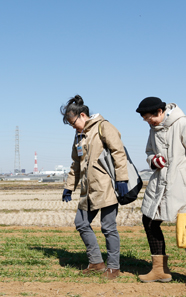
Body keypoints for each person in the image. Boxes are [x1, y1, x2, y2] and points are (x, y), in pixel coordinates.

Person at [135, 97, 186, 287]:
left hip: (184, 185)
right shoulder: (153, 130)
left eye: (149, 118)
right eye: (145, 119)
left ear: (160, 111)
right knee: (149, 220)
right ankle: (159, 269)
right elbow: (149, 152)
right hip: (159, 184)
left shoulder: (184, 124)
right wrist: (153, 160)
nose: (148, 122)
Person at [60, 95, 129, 280]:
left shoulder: (103, 127)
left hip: (106, 187)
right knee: (81, 223)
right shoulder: (79, 136)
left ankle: (113, 268)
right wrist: (69, 186)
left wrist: (122, 180)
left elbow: (118, 153)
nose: (72, 126)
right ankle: (96, 263)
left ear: (83, 115)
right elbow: (76, 163)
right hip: (87, 190)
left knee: (108, 227)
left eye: (73, 122)